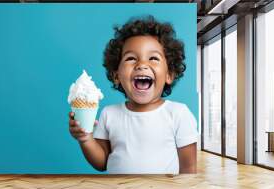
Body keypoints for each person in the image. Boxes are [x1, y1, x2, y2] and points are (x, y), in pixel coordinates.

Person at [68, 16, 198, 174]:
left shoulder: (178, 113)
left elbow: (189, 169)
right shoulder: (109, 114)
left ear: (169, 74)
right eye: (131, 58)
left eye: (153, 58)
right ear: (116, 76)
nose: (142, 65)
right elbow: (101, 163)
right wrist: (86, 139)